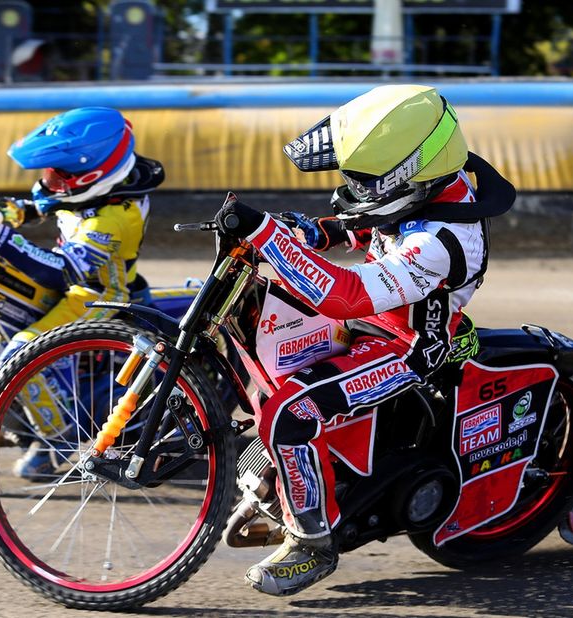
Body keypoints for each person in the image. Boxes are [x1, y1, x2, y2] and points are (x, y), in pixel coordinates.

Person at [213, 84, 514, 596]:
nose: (354, 187)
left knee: (292, 412)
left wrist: (268, 235)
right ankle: (281, 474)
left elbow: (347, 293)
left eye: (365, 179)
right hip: (370, 324)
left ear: (411, 172)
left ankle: (313, 542)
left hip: (410, 347)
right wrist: (308, 233)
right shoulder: (429, 183)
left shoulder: (444, 240)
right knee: (256, 331)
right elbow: (364, 227)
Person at [0, 106, 164, 480]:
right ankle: (24, 420)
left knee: (20, 350)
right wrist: (7, 214)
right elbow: (38, 205)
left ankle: (58, 444)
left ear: (91, 176)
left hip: (99, 298)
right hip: (80, 288)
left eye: (58, 176)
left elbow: (61, 271)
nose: (48, 182)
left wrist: (4, 239)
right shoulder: (86, 191)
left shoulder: (116, 216)